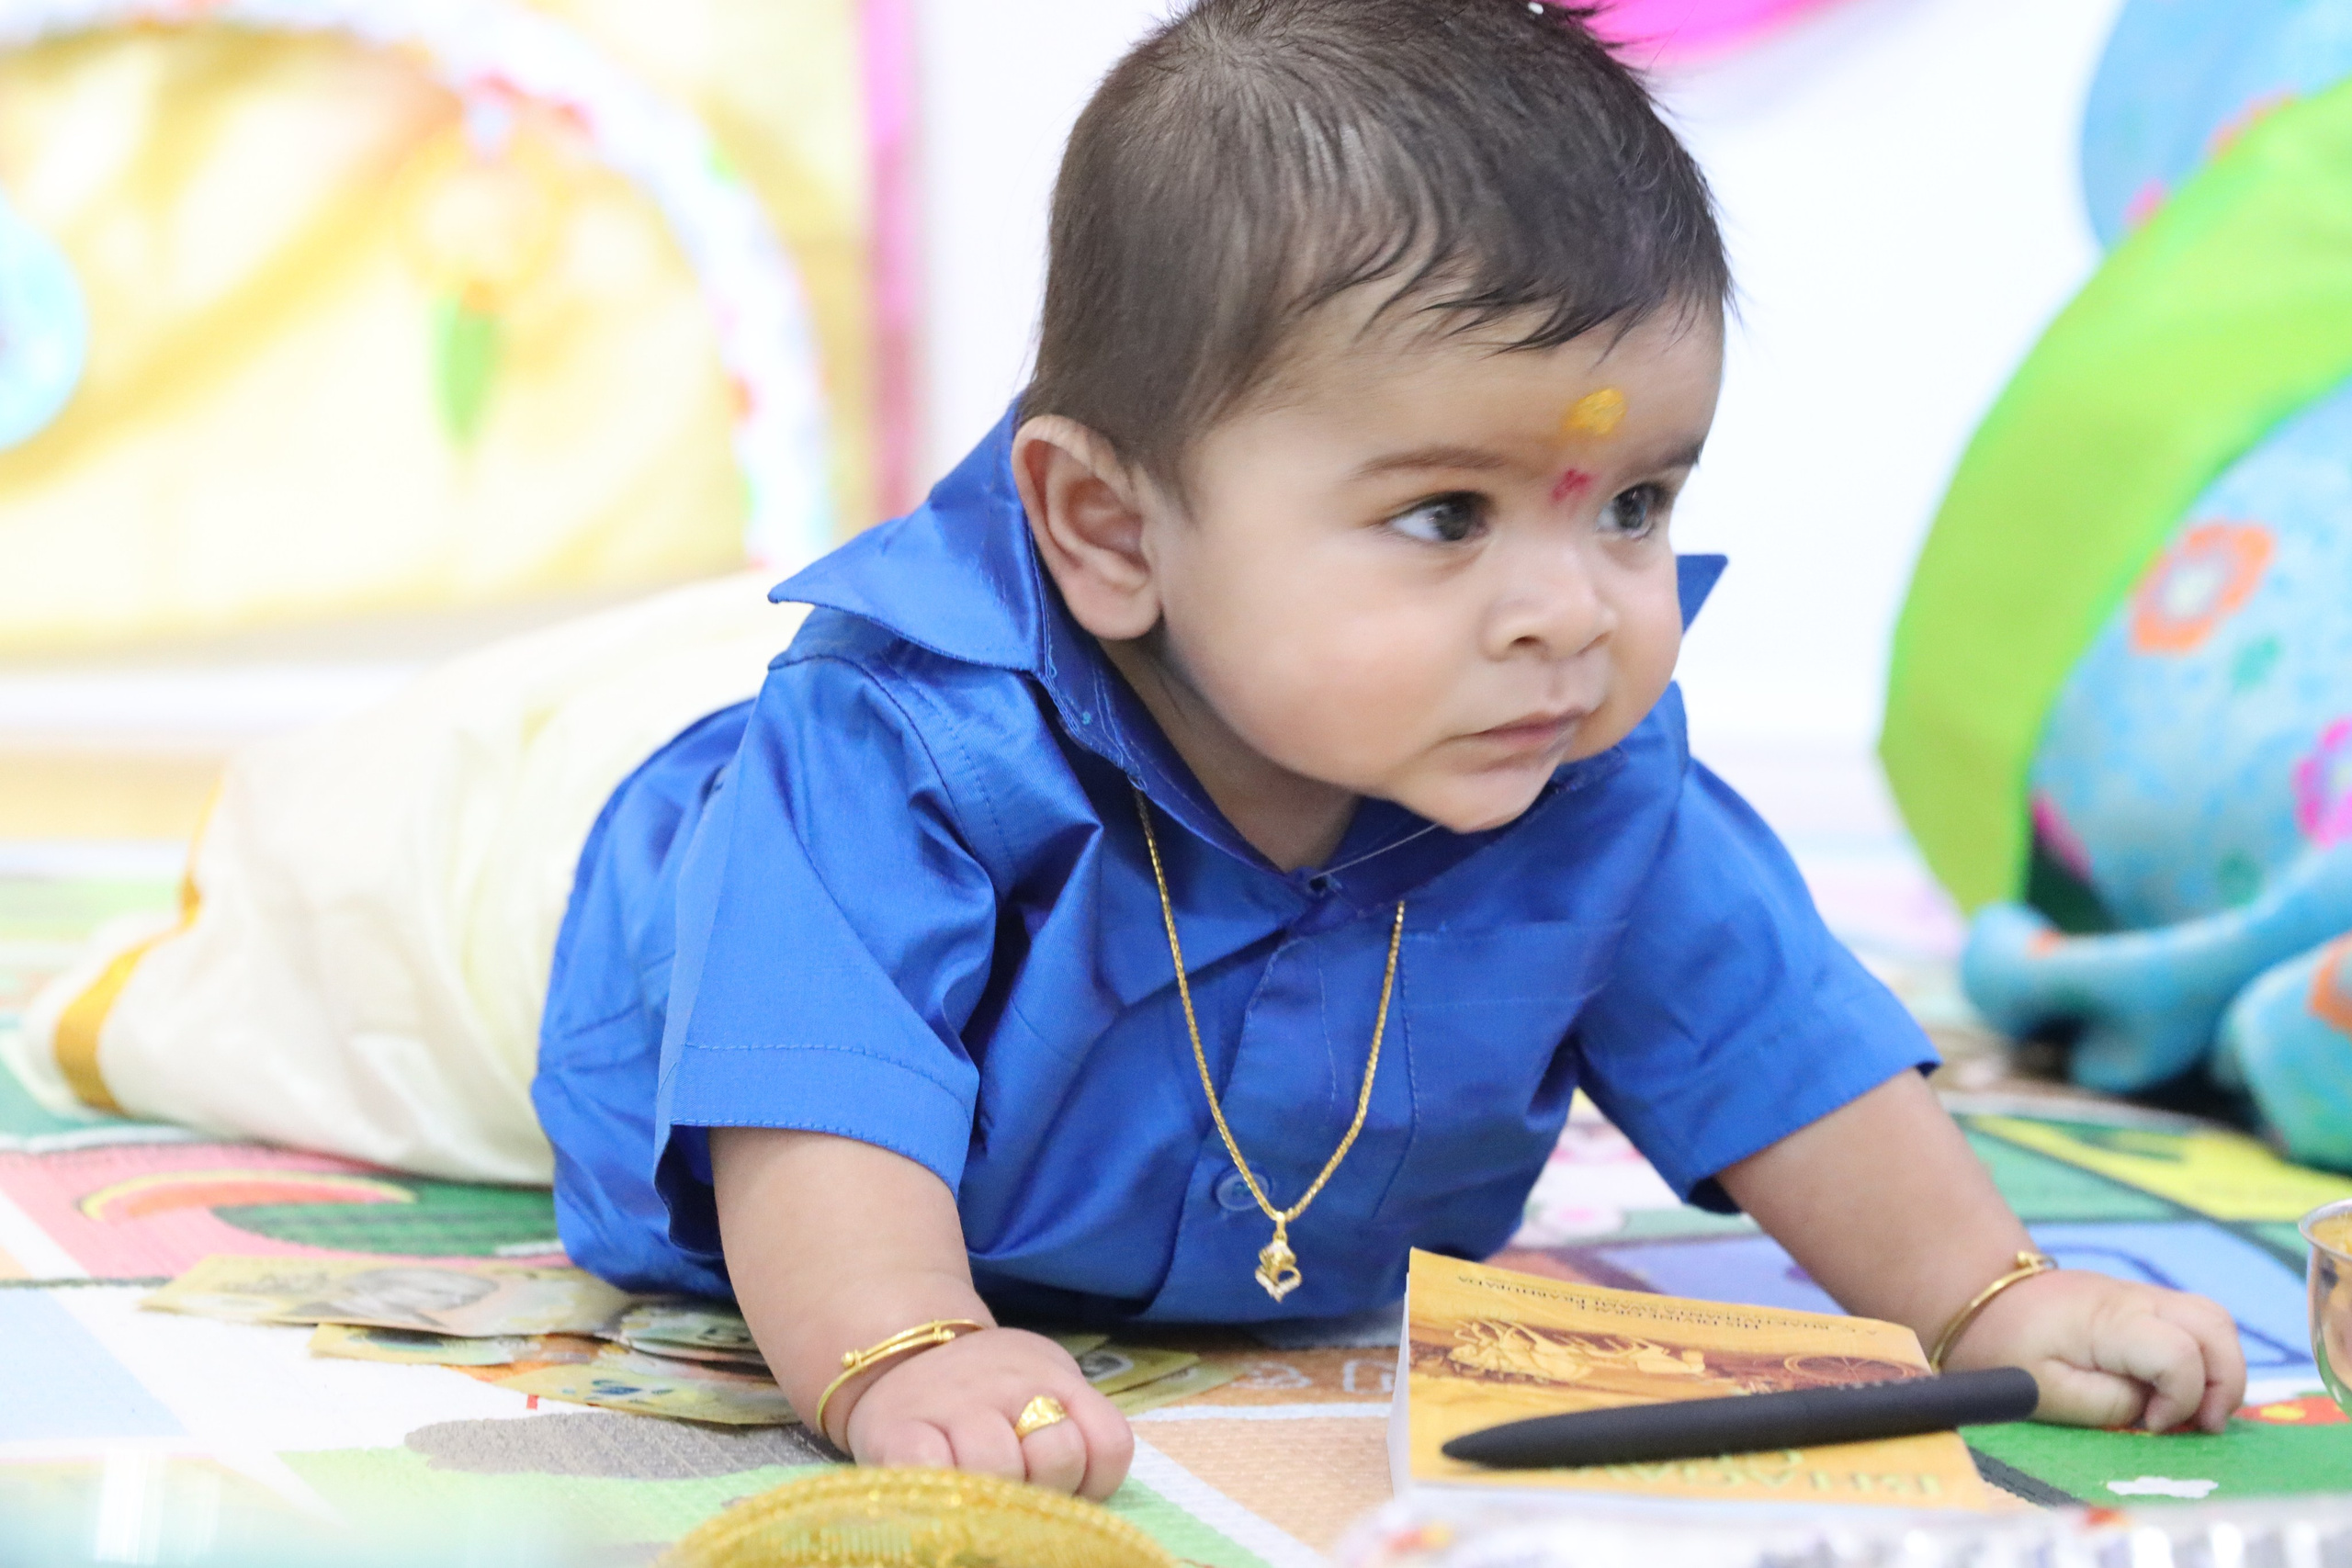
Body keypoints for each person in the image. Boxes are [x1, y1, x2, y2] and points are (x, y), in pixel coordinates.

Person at [25, 0, 2244, 1506]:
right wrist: (897, 1346)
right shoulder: (885, 765)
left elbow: (1797, 1063)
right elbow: (808, 1082)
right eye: (1444, 515)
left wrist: (1988, 1286)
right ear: (1105, 523)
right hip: (604, 874)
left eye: (1634, 501)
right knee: (330, 886)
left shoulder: (1589, 772)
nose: (1570, 606)